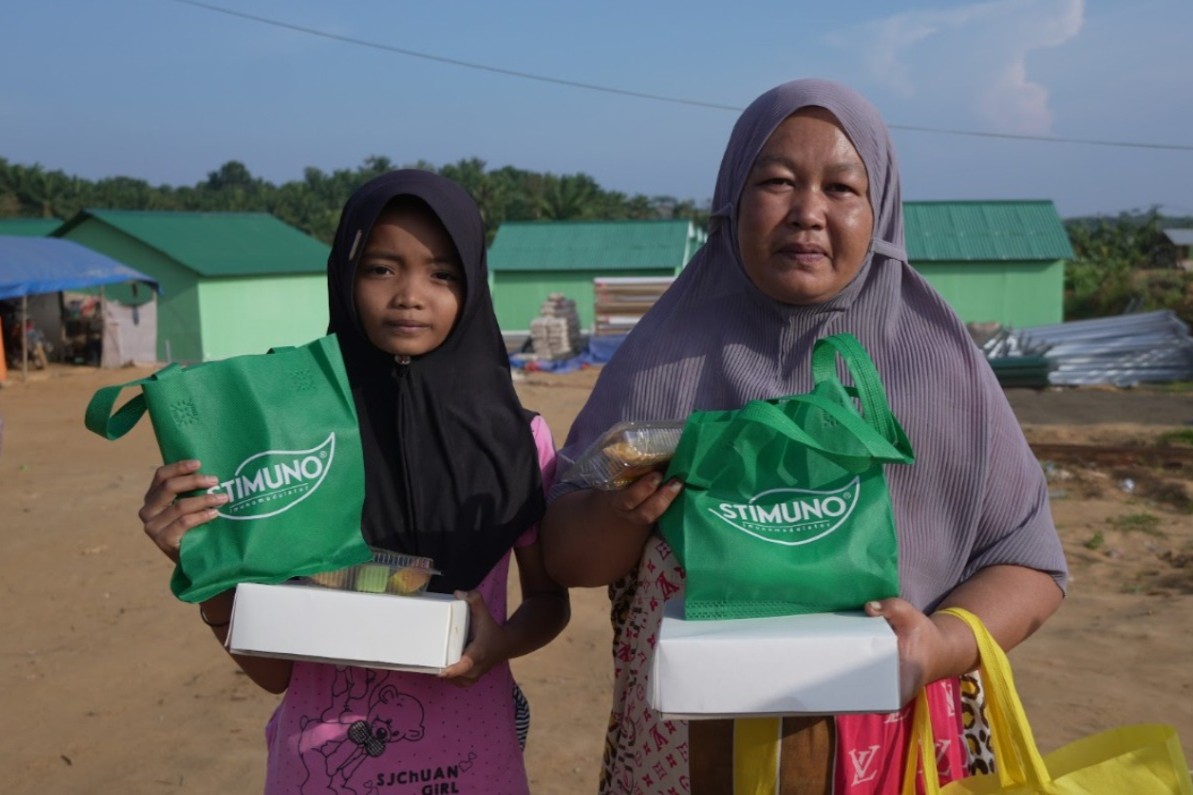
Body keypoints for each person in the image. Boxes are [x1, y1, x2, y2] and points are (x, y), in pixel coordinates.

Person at [541, 79, 1068, 794]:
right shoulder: (661, 364)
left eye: (841, 188)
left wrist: (938, 643)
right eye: (777, 182)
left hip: (893, 741)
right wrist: (615, 513)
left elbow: (1029, 563)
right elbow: (563, 556)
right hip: (688, 749)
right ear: (730, 200)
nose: (808, 213)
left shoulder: (941, 370)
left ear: (878, 208)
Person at [138, 170, 570, 794]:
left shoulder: (520, 443)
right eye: (381, 269)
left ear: (474, 286)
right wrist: (205, 565)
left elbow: (550, 603)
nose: (411, 296)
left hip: (478, 768)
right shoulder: (293, 446)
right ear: (343, 277)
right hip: (320, 773)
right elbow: (275, 674)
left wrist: (499, 644)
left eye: (443, 273)